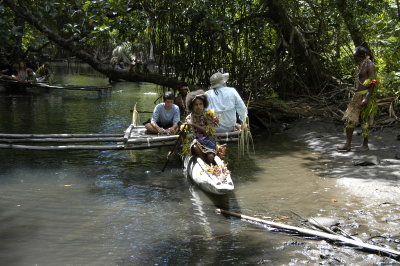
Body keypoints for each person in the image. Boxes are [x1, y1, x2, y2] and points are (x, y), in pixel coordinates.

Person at [338, 46, 378, 152]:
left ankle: (365, 145)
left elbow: (373, 83)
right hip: (357, 96)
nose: (354, 57)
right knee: (350, 119)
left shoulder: (369, 65)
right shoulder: (359, 64)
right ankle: (348, 144)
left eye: (355, 55)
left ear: (362, 56)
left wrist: (366, 99)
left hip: (365, 95)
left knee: (363, 121)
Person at [181, 90, 219, 164]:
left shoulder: (208, 116)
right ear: (192, 106)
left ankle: (209, 161)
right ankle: (206, 164)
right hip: (196, 142)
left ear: (204, 105)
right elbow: (183, 134)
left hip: (209, 140)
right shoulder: (189, 118)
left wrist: (193, 124)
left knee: (210, 157)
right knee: (195, 146)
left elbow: (208, 131)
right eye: (196, 104)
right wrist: (173, 151)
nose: (198, 107)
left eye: (200, 104)